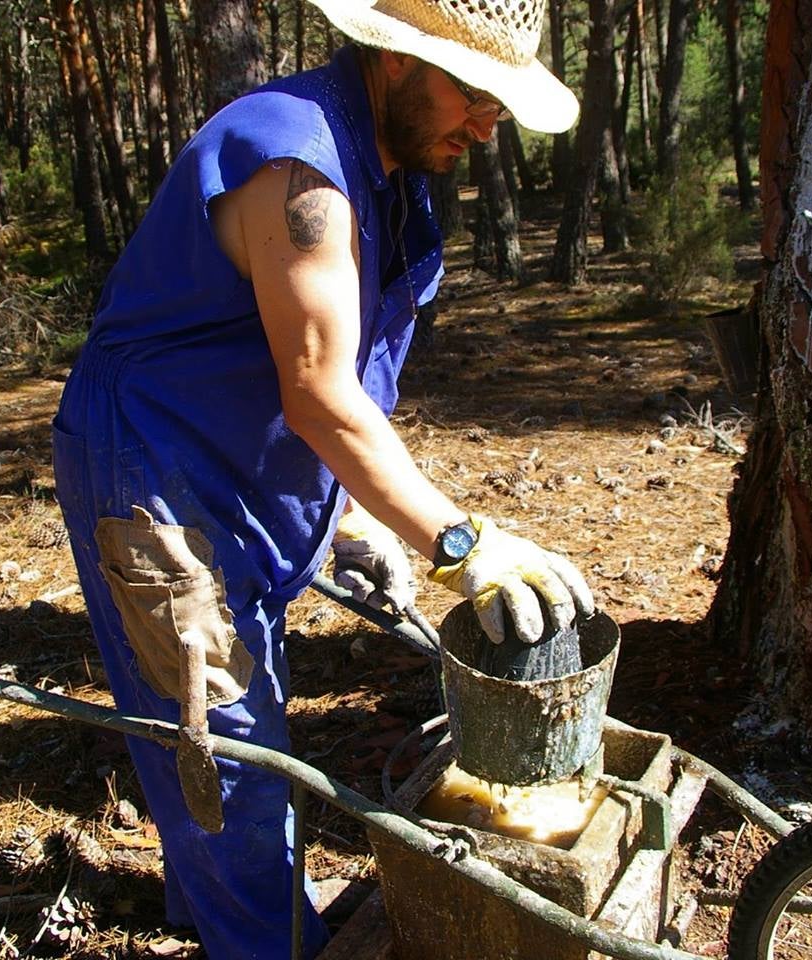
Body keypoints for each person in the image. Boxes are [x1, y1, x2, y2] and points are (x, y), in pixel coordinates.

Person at [51, 0, 593, 957]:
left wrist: (353, 517)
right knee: (226, 743)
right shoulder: (299, 163)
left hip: (235, 469)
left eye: (500, 108)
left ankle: (220, 909)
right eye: (472, 94)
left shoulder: (388, 173)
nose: (483, 126)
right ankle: (264, 942)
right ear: (394, 63)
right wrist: (457, 543)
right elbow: (317, 391)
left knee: (228, 721)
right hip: (153, 470)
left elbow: (334, 373)